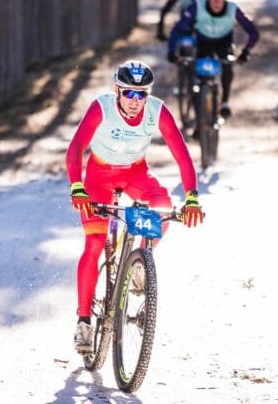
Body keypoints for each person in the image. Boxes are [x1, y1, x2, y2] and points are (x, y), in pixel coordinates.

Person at [65, 60, 204, 353]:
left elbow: (182, 156)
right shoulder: (101, 107)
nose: (135, 101)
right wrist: (77, 186)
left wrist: (191, 196)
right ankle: (84, 322)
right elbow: (76, 147)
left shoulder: (156, 110)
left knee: (164, 205)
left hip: (135, 173)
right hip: (99, 178)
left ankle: (140, 261)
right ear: (117, 90)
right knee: (95, 242)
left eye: (142, 94)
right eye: (129, 93)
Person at [167, 0, 260, 119]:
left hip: (224, 42)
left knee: (227, 66)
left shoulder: (233, 8)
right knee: (198, 80)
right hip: (203, 42)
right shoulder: (198, 5)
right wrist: (172, 50)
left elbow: (253, 32)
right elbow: (178, 28)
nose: (217, 3)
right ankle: (199, 119)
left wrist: (246, 51)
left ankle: (224, 103)